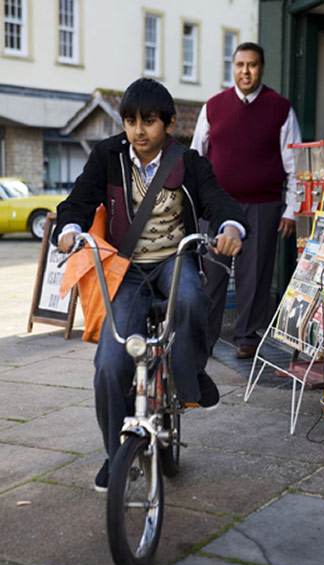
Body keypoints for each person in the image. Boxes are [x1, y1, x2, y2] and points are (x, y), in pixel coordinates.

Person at [54, 78, 249, 492]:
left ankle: (191, 374)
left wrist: (230, 226)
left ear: (170, 123)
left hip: (173, 261)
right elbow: (78, 200)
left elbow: (218, 201)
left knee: (194, 299)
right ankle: (117, 454)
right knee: (109, 365)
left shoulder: (190, 162)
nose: (138, 131)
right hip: (127, 270)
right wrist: (70, 228)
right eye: (130, 121)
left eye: (149, 121)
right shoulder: (108, 156)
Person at [191, 42, 302, 359]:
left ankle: (247, 336)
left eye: (252, 65)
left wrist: (291, 209)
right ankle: (204, 337)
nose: (246, 71)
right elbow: (196, 158)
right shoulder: (213, 106)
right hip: (214, 205)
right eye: (240, 65)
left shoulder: (280, 108)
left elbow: (294, 164)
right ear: (233, 67)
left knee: (255, 274)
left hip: (263, 204)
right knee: (211, 272)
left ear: (261, 68)